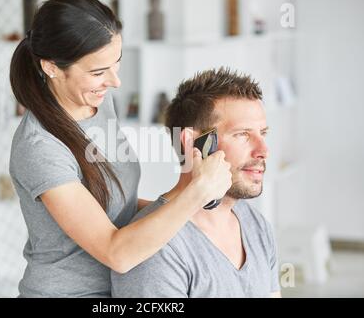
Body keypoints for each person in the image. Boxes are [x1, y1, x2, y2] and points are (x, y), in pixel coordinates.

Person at [9, 0, 232, 297]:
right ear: (51, 67)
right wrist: (195, 194)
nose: (115, 81)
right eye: (99, 72)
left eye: (117, 63)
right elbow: (117, 253)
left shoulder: (97, 104)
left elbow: (117, 206)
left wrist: (188, 194)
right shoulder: (40, 148)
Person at [111, 68, 282, 298]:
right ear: (194, 143)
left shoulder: (256, 225)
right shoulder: (156, 249)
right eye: (242, 134)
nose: (264, 151)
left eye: (263, 133)